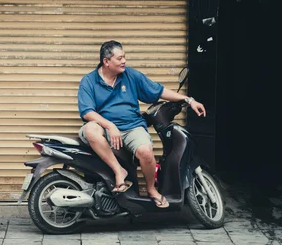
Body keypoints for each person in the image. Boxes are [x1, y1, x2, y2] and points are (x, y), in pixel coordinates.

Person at [77, 40, 206, 208]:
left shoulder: (131, 76)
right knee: (91, 129)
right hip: (105, 129)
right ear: (106, 61)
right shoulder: (89, 81)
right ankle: (119, 171)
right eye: (120, 58)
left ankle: (151, 190)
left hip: (132, 127)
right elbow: (87, 112)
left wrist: (188, 100)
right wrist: (110, 126)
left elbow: (159, 91)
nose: (124, 61)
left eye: (124, 57)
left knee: (145, 151)